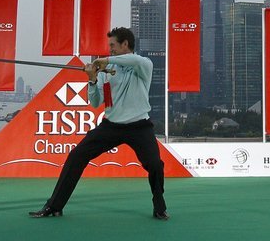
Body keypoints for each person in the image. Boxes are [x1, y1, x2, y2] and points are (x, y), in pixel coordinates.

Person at [29, 27, 168, 220]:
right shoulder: (105, 72)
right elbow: (96, 102)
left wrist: (105, 61)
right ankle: (54, 206)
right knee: (76, 156)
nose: (109, 49)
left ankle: (159, 207)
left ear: (125, 44)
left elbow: (133, 60)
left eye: (113, 45)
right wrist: (93, 79)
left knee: (155, 165)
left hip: (139, 126)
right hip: (111, 126)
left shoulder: (143, 64)